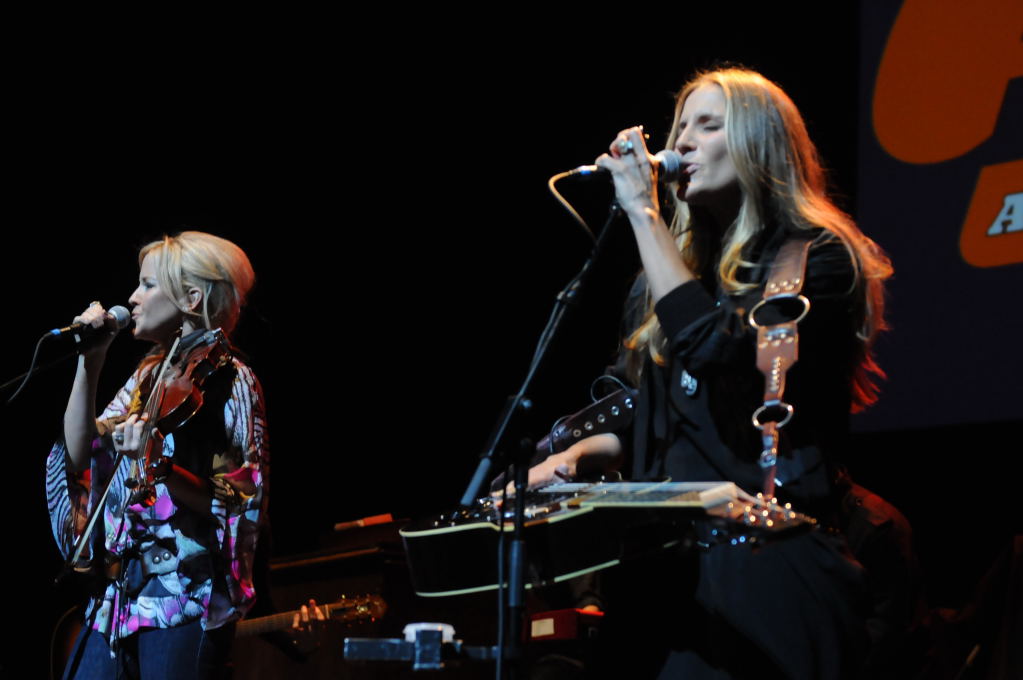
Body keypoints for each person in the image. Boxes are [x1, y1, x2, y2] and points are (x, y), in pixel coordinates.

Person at [525, 68, 896, 678]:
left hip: (767, 575)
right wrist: (571, 457)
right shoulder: (662, 281)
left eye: (708, 125)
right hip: (662, 582)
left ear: (760, 144)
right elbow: (646, 412)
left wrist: (643, 213)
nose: (683, 142)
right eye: (680, 127)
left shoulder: (819, 259)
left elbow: (720, 352)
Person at [47, 231, 268, 680]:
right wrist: (90, 362)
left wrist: (161, 467)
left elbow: (243, 501)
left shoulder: (231, 380)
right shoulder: (147, 376)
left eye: (148, 284)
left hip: (185, 601)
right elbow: (80, 449)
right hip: (119, 603)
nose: (132, 297)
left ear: (191, 298)